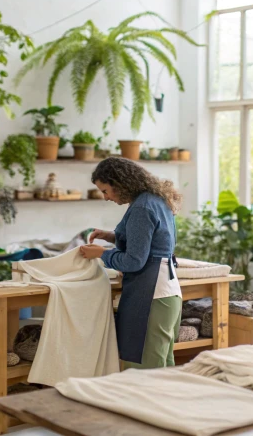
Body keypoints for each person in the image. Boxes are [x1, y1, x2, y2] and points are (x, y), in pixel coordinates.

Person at [78, 157, 183, 369]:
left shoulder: (142, 208)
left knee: (145, 371)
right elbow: (153, 242)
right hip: (166, 293)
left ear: (120, 183)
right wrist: (112, 236)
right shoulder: (156, 199)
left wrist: (102, 254)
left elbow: (134, 261)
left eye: (105, 191)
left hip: (151, 296)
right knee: (162, 368)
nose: (105, 197)